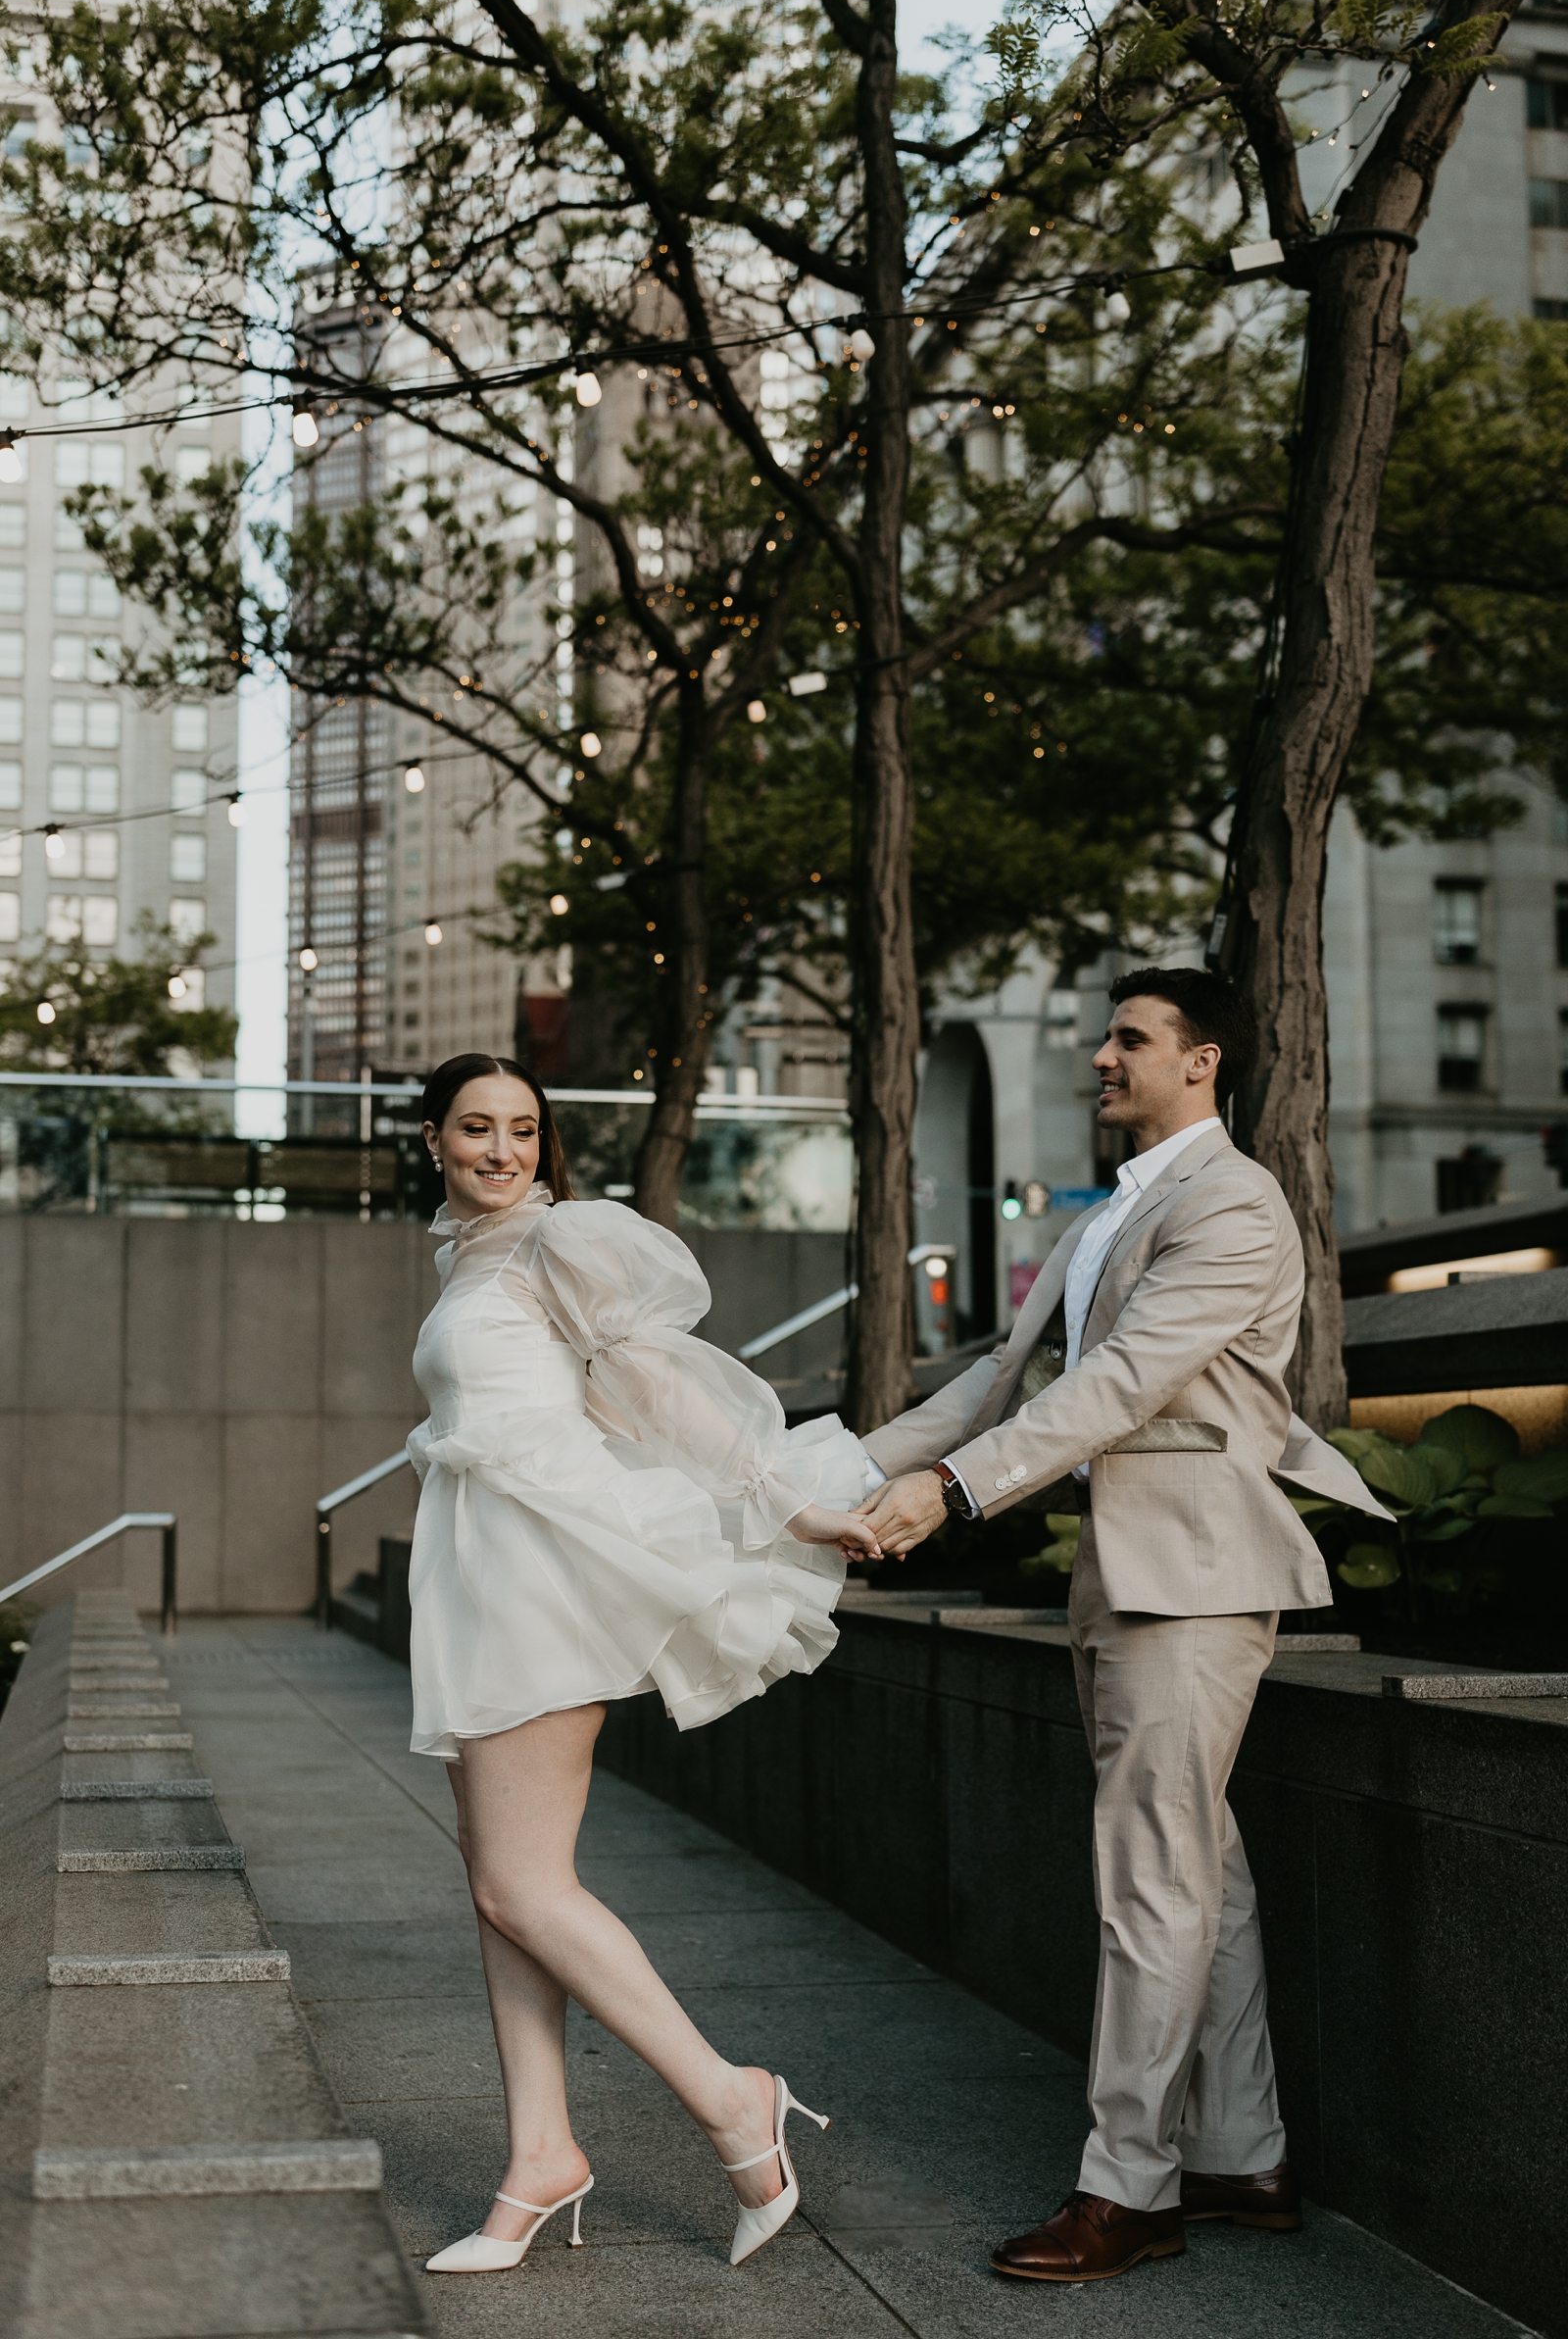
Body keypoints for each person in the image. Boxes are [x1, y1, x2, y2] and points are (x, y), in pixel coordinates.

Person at [854, 969, 1390, 2287]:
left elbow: (1123, 1383)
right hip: (1125, 1565)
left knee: (1153, 1875)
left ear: (1204, 1063)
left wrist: (956, 1493)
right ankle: (1242, 2154)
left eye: (1130, 1039)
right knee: (1202, 1859)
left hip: (1198, 1574)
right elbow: (998, 1378)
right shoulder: (1115, 1209)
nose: (1102, 1056)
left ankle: (1129, 2185)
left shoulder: (1238, 1205)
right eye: (1107, 1035)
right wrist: (828, 1481)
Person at [408, 1053, 877, 2277]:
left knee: (524, 1886)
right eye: (475, 1129)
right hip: (481, 1574)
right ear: (432, 1140)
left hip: (544, 1580)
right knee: (499, 1888)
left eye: (522, 1130)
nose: (502, 1151)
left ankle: (732, 2100)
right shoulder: (468, 1252)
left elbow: (663, 1384)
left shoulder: (555, 1242)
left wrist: (789, 1504)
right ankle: (539, 2157)